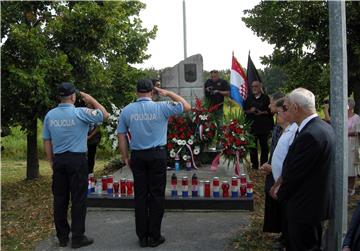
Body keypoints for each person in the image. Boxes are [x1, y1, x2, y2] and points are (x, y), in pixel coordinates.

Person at [117, 79, 191, 248]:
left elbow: (121, 135)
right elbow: (186, 107)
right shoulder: (161, 107)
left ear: (137, 92)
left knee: (141, 196)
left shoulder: (127, 110)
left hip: (138, 156)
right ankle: (155, 236)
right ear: (152, 91)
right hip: (157, 155)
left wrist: (125, 157)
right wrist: (169, 93)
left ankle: (143, 237)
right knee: (156, 195)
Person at [42, 82, 109, 248]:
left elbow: (46, 141)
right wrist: (90, 98)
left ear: (59, 97)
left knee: (60, 199)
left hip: (59, 160)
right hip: (77, 160)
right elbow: (105, 115)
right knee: (78, 199)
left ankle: (63, 237)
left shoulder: (50, 115)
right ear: (73, 96)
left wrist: (51, 160)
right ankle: (78, 237)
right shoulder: (81, 113)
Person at [273, 88, 335, 251]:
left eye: (285, 107)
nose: (284, 112)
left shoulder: (310, 135)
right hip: (311, 205)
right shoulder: (322, 127)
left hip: (304, 207)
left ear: (296, 107)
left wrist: (280, 193)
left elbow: (295, 174)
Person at [244, 80, 274, 169]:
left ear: (260, 87)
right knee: (253, 147)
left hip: (264, 127)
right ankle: (255, 165)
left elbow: (271, 111)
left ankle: (264, 165)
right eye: (253, 86)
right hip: (252, 126)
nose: (254, 88)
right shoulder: (249, 98)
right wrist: (250, 111)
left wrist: (262, 112)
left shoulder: (266, 98)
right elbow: (244, 110)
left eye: (256, 86)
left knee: (264, 147)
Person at [347, 98, 360, 195]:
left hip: (352, 145)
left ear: (351, 106)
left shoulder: (356, 117)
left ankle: (352, 188)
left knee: (351, 167)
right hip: (343, 144)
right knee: (345, 166)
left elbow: (358, 132)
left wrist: (346, 133)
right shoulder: (342, 116)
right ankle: (345, 186)